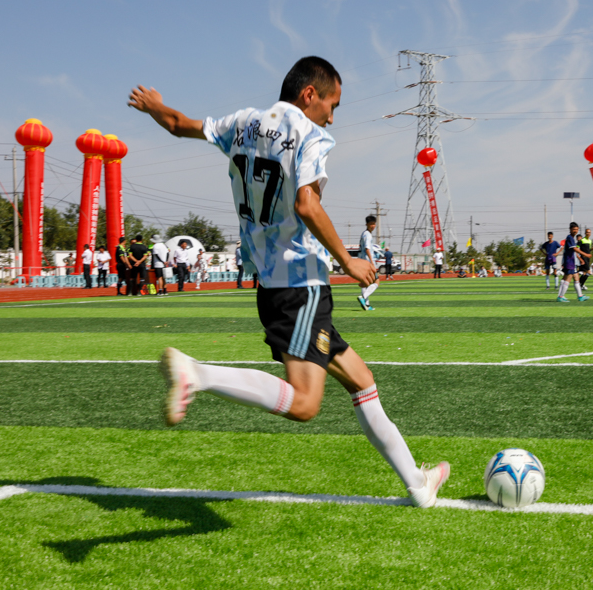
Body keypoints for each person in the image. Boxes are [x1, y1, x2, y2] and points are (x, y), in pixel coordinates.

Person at [128, 55, 449, 507]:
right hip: (300, 284)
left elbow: (179, 125)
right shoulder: (311, 135)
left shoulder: (242, 123)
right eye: (332, 105)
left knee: (361, 380)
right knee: (305, 403)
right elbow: (306, 204)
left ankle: (418, 484)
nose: (332, 117)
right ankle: (197, 374)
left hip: (271, 283)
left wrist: (155, 107)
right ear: (309, 94)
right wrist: (348, 260)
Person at [558, 222, 590, 302]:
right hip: (569, 262)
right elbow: (575, 249)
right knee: (568, 278)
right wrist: (585, 254)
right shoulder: (569, 238)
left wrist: (580, 259)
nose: (575, 231)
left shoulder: (571, 238)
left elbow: (574, 250)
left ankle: (580, 296)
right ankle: (561, 296)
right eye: (574, 229)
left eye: (576, 229)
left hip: (572, 261)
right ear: (570, 229)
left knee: (576, 278)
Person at [357, 215, 378, 311]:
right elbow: (367, 249)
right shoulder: (367, 235)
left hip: (362, 260)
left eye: (374, 224)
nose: (373, 226)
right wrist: (372, 262)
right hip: (367, 261)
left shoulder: (364, 233)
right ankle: (363, 297)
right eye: (371, 224)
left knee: (365, 283)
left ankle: (367, 305)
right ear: (367, 224)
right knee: (377, 281)